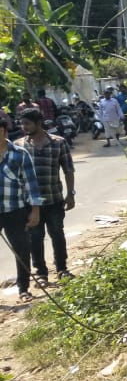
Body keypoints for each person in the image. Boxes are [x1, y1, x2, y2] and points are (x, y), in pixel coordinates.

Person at [16, 108, 74, 284]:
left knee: (57, 234)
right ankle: (41, 273)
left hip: (54, 198)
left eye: (27, 123)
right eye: (22, 124)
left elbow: (68, 170)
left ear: (39, 123)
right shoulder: (19, 146)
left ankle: (62, 269)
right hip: (30, 203)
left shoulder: (58, 143)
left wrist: (70, 194)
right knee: (35, 237)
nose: (24, 127)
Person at [0, 120, 42, 303]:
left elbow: (31, 185)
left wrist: (35, 211)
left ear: (2, 131)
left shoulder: (19, 154)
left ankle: (23, 288)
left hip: (15, 210)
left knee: (22, 250)